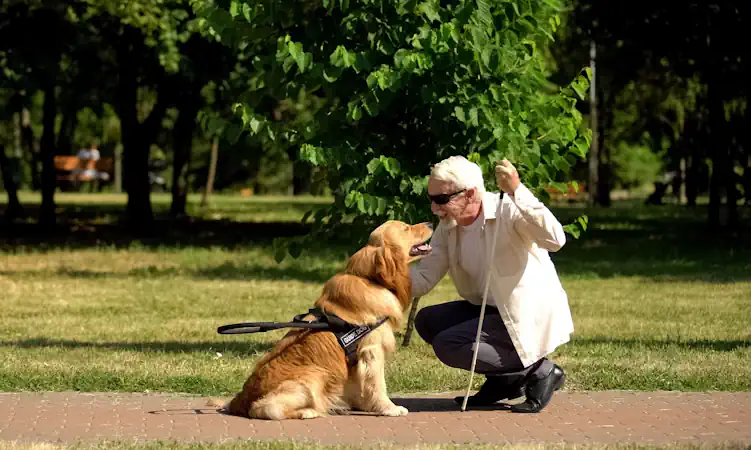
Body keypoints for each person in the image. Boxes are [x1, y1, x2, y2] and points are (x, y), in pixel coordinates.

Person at [409, 155, 573, 413]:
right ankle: (504, 380)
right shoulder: (448, 226)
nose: (434, 209)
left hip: (525, 313)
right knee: (428, 321)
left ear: (471, 193)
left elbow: (555, 239)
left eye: (442, 200)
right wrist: (378, 276)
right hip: (488, 309)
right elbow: (423, 278)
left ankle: (541, 370)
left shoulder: (508, 209)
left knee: (448, 345)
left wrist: (517, 191)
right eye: (431, 199)